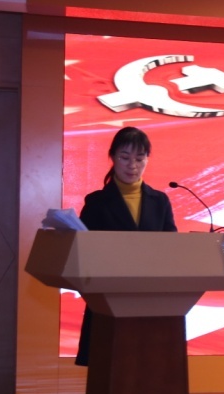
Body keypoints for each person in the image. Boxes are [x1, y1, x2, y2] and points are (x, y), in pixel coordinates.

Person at [74, 126, 177, 365]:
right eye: (125, 157)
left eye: (140, 159)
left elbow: (171, 248)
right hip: (107, 298)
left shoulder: (159, 201)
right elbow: (83, 252)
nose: (132, 165)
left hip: (150, 298)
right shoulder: (97, 202)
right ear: (112, 157)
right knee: (108, 365)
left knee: (149, 366)